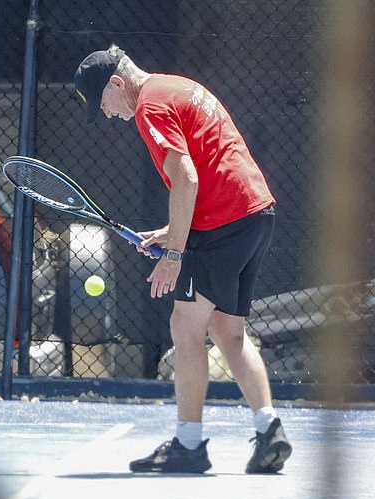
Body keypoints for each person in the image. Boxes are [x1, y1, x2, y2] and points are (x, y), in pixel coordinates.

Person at [74, 44, 292, 474]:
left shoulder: (149, 108)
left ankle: (189, 446)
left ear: (118, 84)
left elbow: (187, 177)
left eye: (104, 104)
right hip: (255, 214)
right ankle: (271, 432)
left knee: (183, 325)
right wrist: (174, 233)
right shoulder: (176, 86)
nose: (109, 115)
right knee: (227, 330)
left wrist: (174, 252)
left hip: (225, 223)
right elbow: (208, 166)